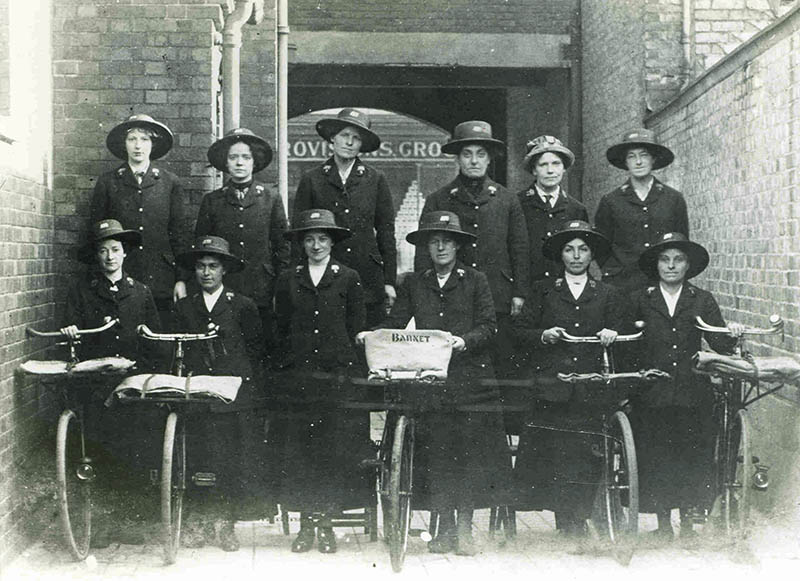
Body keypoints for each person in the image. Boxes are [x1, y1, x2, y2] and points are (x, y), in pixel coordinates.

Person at [364, 211, 510, 556]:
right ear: (427, 247)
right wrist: (376, 335)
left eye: (447, 240)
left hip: (472, 380)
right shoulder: (416, 283)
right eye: (434, 241)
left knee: (469, 452)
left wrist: (464, 341)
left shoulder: (476, 281)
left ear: (458, 245)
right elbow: (397, 323)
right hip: (432, 381)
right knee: (439, 453)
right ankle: (442, 526)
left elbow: (489, 326)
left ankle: (463, 528)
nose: (441, 246)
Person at [512, 220, 628, 537]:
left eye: (583, 249)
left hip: (591, 389)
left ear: (592, 255)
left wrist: (611, 333)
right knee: (556, 454)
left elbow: (622, 331)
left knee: (585, 455)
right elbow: (519, 332)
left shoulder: (607, 294)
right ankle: (565, 520)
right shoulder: (544, 291)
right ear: (561, 255)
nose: (576, 256)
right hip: (553, 386)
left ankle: (582, 518)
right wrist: (543, 335)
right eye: (569, 249)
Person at [628, 232, 742, 539]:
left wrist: (732, 332)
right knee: (657, 455)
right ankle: (663, 524)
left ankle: (690, 522)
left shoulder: (701, 299)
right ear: (657, 265)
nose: (671, 266)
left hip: (692, 392)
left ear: (687, 265)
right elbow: (629, 345)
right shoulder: (642, 299)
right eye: (665, 260)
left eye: (678, 260)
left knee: (692, 455)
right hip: (654, 392)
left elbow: (719, 340)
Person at [274, 209, 370, 555]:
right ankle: (305, 526)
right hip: (299, 378)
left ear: (332, 242)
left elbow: (357, 327)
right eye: (310, 238)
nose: (316, 245)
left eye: (322, 239)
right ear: (302, 243)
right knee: (300, 452)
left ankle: (327, 525)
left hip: (335, 378)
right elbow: (280, 327)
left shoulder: (348, 278)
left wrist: (346, 368)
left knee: (332, 451)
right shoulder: (289, 278)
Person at [63, 219, 161, 548]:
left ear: (125, 254)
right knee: (97, 452)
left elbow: (153, 341)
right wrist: (71, 333)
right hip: (95, 386)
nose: (110, 257)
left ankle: (128, 522)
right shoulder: (82, 291)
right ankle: (100, 524)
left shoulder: (141, 292)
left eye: (115, 250)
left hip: (130, 387)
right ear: (96, 256)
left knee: (132, 452)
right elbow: (69, 335)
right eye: (103, 251)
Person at [414, 120, 529, 379]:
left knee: (500, 365)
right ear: (458, 159)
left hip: (499, 294)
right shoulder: (439, 199)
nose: (474, 161)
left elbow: (519, 248)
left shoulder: (507, 199)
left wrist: (519, 292)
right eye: (467, 154)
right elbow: (424, 250)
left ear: (489, 159)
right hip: (454, 297)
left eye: (480, 154)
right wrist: (422, 293)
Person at [173, 236, 267, 552]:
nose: (206, 273)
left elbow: (257, 352)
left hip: (232, 399)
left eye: (213, 266)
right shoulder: (185, 307)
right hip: (198, 397)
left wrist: (247, 390)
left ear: (224, 270)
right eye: (200, 267)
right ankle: (199, 523)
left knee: (229, 461)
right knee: (199, 459)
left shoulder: (242, 306)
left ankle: (225, 525)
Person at [293, 108, 397, 326]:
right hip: (324, 271)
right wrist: (298, 276)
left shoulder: (375, 179)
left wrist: (389, 281)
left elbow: (386, 232)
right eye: (344, 136)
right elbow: (299, 233)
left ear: (361, 145)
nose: (349, 142)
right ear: (333, 139)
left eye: (356, 138)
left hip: (367, 275)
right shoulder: (312, 179)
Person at [196, 127, 290, 364]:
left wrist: (279, 285)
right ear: (226, 163)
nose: (239, 163)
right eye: (233, 157)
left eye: (245, 157)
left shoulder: (270, 198)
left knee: (259, 346)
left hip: (261, 287)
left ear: (254, 162)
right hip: (225, 287)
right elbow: (201, 247)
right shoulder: (213, 201)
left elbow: (282, 246)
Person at [90, 114, 191, 325]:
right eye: (132, 139)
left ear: (153, 144)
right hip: (122, 273)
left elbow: (179, 233)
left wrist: (181, 279)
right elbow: (97, 233)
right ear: (124, 144)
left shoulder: (169, 182)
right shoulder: (109, 182)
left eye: (144, 139)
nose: (138, 146)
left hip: (161, 275)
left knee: (160, 335)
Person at [594, 128, 689, 295]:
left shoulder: (673, 199)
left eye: (644, 155)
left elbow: (681, 242)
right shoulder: (611, 201)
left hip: (662, 285)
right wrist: (616, 271)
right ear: (625, 162)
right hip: (623, 286)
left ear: (653, 159)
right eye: (632, 156)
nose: (638, 162)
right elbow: (601, 247)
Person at [517, 135, 588, 287]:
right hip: (529, 289)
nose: (550, 171)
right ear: (534, 170)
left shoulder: (576, 209)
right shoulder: (517, 203)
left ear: (564, 168)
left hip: (563, 291)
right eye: (543, 165)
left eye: (556, 164)